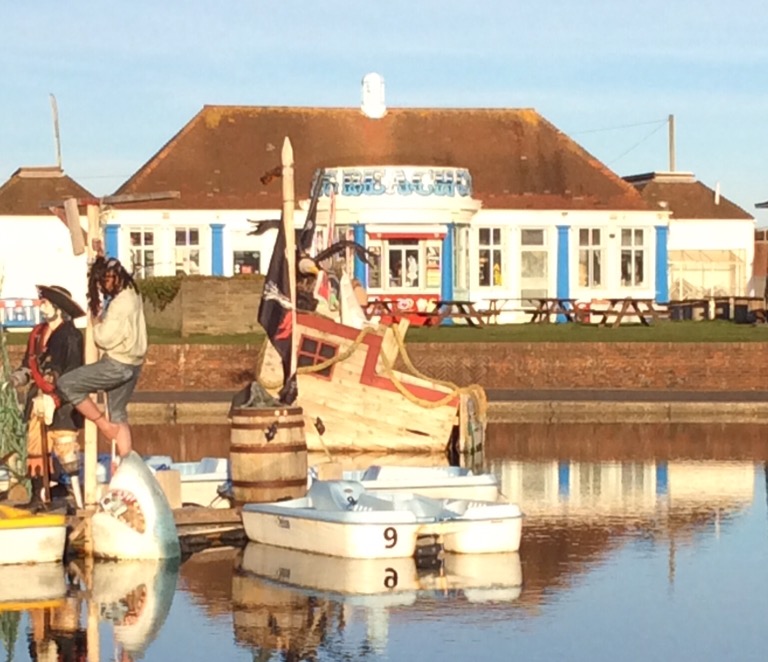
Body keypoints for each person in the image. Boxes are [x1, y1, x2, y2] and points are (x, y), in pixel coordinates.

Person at [57, 257, 147, 458]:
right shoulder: (133, 293)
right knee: (118, 413)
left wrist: (96, 322)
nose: (103, 286)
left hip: (117, 364)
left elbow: (104, 338)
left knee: (67, 384)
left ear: (116, 278)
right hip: (134, 365)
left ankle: (104, 426)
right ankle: (127, 461)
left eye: (105, 281)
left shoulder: (120, 304)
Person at [8, 285, 85, 498]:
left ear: (59, 308)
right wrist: (19, 377)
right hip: (37, 399)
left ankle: (75, 496)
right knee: (35, 446)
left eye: (46, 303)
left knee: (65, 448)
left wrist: (55, 392)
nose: (41, 307)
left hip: (63, 401)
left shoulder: (71, 336)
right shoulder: (37, 334)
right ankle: (38, 495)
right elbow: (29, 363)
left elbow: (72, 370)